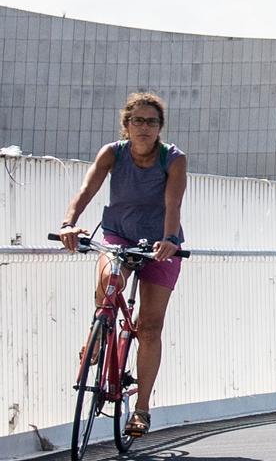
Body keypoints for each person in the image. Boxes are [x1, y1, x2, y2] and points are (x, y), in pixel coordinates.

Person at [56, 91, 188, 440]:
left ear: (160, 127)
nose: (144, 127)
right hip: (119, 235)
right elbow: (86, 189)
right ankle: (98, 335)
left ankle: (141, 409)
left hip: (160, 244)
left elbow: (173, 203)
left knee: (149, 327)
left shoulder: (172, 159)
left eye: (151, 122)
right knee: (109, 279)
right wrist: (69, 222)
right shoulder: (112, 153)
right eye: (137, 121)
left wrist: (169, 238)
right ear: (126, 124)